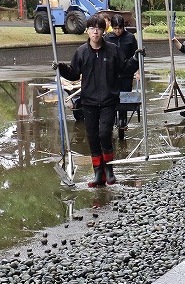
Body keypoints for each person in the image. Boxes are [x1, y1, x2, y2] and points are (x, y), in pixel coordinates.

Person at [56, 13, 136, 187]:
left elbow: (124, 69)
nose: (96, 32)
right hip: (89, 101)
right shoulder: (81, 52)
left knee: (104, 134)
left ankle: (109, 169)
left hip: (108, 100)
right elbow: (74, 73)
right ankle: (98, 173)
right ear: (87, 31)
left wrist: (137, 59)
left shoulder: (113, 50)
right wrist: (61, 68)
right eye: (92, 28)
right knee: (92, 137)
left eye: (99, 28)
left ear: (103, 30)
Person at [103, 13, 140, 132]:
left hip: (126, 72)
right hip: (112, 73)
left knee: (124, 96)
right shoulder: (107, 38)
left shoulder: (130, 38)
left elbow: (136, 55)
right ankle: (111, 118)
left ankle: (122, 119)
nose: (118, 31)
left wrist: (137, 72)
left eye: (120, 28)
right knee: (112, 96)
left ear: (123, 27)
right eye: (115, 28)